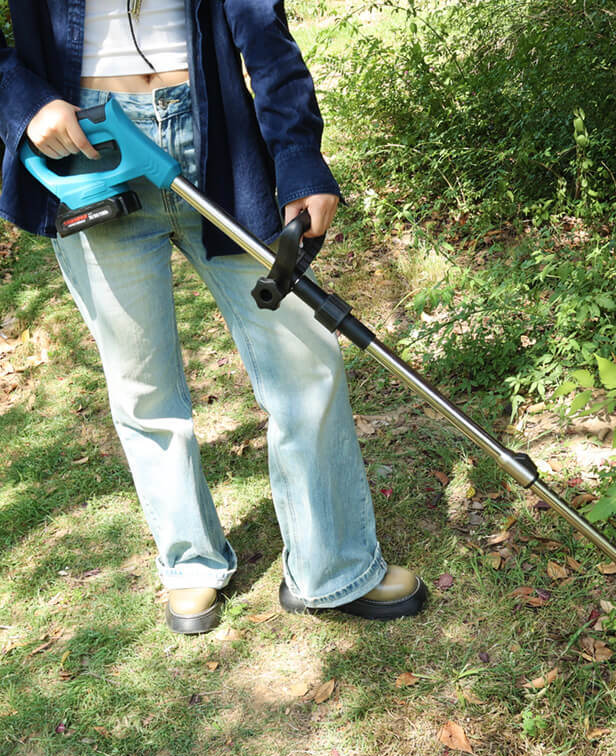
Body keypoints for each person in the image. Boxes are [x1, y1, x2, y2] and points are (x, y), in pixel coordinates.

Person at [0, 0, 427, 633]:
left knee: (304, 355)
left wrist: (300, 157)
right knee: (142, 383)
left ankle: (332, 567)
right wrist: (24, 103)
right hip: (88, 148)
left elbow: (264, 29)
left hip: (217, 140)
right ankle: (190, 563)